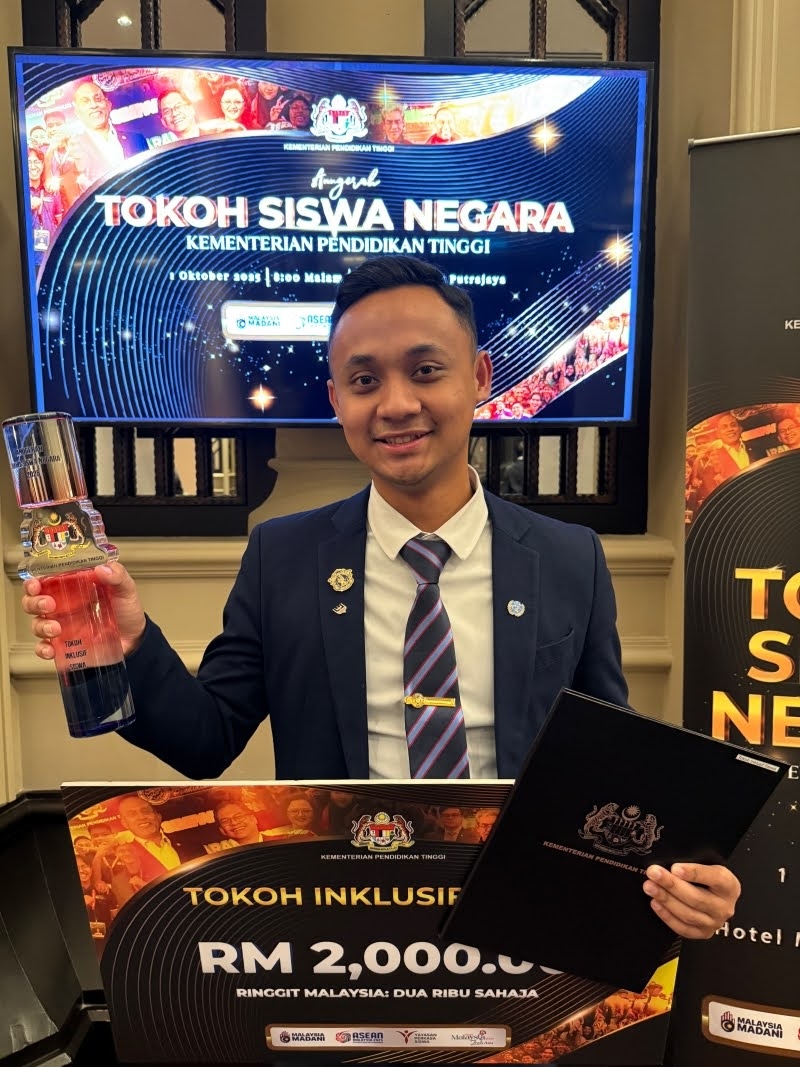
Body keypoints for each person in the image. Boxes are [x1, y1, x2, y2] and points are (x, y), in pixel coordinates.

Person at [23, 255, 740, 941]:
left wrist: (686, 873)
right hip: (339, 927)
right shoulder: (283, 557)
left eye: (426, 371)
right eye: (364, 380)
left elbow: (612, 763)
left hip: (521, 917)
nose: (397, 404)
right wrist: (130, 642)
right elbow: (203, 740)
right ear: (337, 400)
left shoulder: (567, 558)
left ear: (480, 376)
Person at [69, 79, 147, 183]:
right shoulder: (73, 151)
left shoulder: (137, 139)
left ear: (108, 105)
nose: (94, 105)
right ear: (77, 113)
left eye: (98, 99)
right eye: (85, 101)